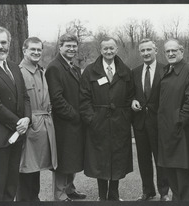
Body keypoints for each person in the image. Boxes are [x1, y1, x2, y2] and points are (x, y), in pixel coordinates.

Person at [79, 37, 134, 201]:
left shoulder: (125, 71)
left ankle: (114, 194)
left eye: (112, 48)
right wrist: (91, 119)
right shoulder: (90, 71)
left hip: (119, 122)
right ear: (100, 50)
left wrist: (126, 117)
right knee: (100, 158)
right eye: (105, 49)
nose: (109, 52)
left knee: (117, 158)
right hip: (98, 122)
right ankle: (102, 195)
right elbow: (84, 99)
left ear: (116, 49)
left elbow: (131, 96)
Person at [0, 26, 31, 201]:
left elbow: (25, 96)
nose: (0, 46)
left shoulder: (14, 67)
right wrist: (19, 123)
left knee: (11, 184)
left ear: (9, 43)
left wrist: (27, 119)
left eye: (3, 42)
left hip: (17, 135)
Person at [45, 33, 86, 201]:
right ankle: (60, 194)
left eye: (74, 46)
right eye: (67, 46)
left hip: (75, 122)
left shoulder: (73, 67)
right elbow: (56, 99)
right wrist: (75, 116)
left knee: (73, 158)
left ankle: (70, 189)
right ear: (60, 47)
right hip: (64, 122)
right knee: (63, 160)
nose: (71, 49)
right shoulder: (54, 67)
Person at [16, 37, 58, 201]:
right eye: (32, 49)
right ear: (24, 50)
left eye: (39, 50)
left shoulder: (40, 70)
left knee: (35, 172)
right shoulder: (19, 72)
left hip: (43, 125)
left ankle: (34, 199)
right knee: (25, 170)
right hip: (28, 126)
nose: (36, 52)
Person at [157, 39, 189, 200]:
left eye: (174, 50)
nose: (171, 54)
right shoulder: (167, 70)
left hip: (181, 132)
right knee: (171, 173)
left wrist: (179, 121)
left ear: (182, 51)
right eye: (167, 51)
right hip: (166, 131)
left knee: (184, 176)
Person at [131, 39, 169, 201]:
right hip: (140, 123)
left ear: (156, 50)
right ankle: (148, 191)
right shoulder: (134, 72)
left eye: (149, 50)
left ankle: (164, 192)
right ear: (140, 52)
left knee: (161, 159)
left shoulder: (165, 70)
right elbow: (130, 93)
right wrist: (132, 100)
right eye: (143, 50)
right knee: (143, 159)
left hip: (159, 122)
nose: (146, 53)